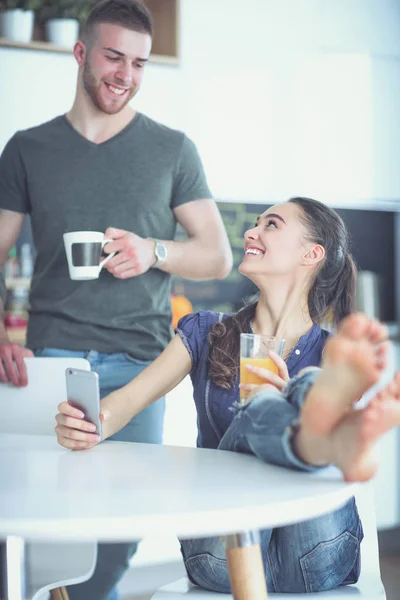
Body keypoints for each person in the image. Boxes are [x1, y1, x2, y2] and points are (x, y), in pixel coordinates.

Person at [0, 0, 232, 597]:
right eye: (113, 56)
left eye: (139, 62)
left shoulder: (172, 149)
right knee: (48, 516)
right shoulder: (28, 148)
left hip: (139, 363)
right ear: (81, 54)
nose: (125, 74)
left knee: (123, 524)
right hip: (53, 361)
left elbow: (216, 254)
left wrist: (155, 251)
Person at [56, 196, 397, 594]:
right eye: (256, 223)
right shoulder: (205, 331)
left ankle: (319, 427)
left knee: (302, 388)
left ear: (311, 253)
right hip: (222, 552)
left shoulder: (336, 352)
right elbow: (124, 404)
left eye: (271, 225)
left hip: (318, 548)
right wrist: (86, 424)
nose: (251, 232)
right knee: (272, 403)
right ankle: (322, 437)